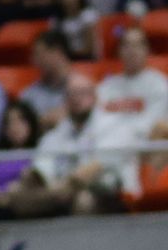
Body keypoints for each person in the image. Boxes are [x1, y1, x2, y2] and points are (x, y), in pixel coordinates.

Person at [30, 72, 136, 215]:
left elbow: (94, 167)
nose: (76, 99)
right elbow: (41, 166)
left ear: (94, 97)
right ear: (65, 100)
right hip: (61, 192)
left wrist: (65, 185)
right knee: (23, 194)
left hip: (110, 193)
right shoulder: (58, 132)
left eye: (82, 93)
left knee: (83, 200)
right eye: (71, 94)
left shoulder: (114, 124)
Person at [96, 26, 168, 145]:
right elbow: (97, 119)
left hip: (142, 146)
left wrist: (121, 135)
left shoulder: (159, 84)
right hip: (108, 143)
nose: (132, 50)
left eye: (137, 45)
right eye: (126, 45)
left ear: (147, 50)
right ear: (119, 51)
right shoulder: (107, 86)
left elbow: (152, 124)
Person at [20, 30, 74, 130]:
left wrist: (70, 114)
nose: (34, 61)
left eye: (38, 54)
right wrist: (41, 121)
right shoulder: (29, 94)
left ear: (57, 52)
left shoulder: (84, 88)